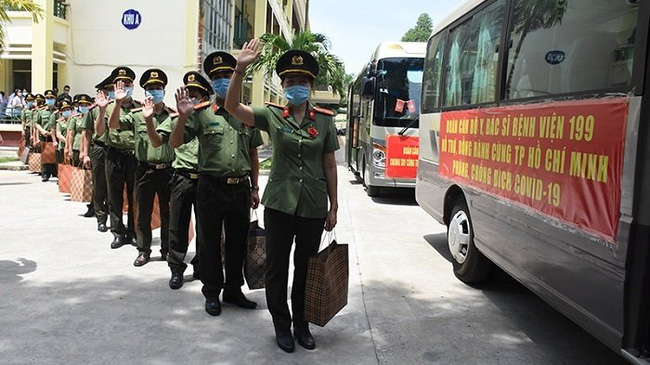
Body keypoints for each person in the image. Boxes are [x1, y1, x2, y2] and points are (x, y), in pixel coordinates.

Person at [224, 42, 339, 353]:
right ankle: (281, 325)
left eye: (302, 82)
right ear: (283, 85)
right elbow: (233, 107)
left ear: (311, 85)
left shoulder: (325, 120)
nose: (296, 87)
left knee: (305, 267)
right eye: (290, 82)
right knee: (277, 269)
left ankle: (302, 323)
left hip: (313, 206)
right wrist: (239, 69)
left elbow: (329, 164)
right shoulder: (273, 116)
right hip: (279, 205)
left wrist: (334, 205)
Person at [170, 51, 263, 316]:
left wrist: (255, 187)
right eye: (218, 77)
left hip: (240, 188)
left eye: (227, 75)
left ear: (236, 78)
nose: (223, 80)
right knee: (209, 243)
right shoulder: (201, 113)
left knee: (237, 242)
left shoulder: (247, 114)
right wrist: (183, 117)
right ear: (211, 83)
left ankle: (233, 290)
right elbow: (175, 143)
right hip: (211, 187)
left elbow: (254, 154)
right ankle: (212, 292)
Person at [109, 69, 175, 266]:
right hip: (144, 169)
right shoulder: (137, 116)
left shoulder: (172, 115)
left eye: (158, 88)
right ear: (144, 92)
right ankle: (144, 250)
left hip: (168, 170)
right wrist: (118, 103)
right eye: (150, 89)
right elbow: (113, 125)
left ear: (164, 90)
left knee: (168, 213)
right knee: (142, 213)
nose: (154, 92)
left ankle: (167, 250)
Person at [157, 71, 210, 289]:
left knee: (206, 227)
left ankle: (201, 265)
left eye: (195, 94)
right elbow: (168, 142)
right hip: (182, 177)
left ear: (205, 97)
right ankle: (176, 268)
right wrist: (182, 116)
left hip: (206, 179)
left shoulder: (212, 118)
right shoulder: (176, 119)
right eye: (188, 94)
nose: (190, 98)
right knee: (177, 225)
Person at [96, 67, 142, 249]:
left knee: (134, 195)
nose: (124, 87)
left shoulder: (140, 107)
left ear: (133, 85)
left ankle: (133, 231)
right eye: (120, 84)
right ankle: (117, 232)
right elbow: (99, 131)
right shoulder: (107, 107)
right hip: (114, 154)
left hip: (134, 156)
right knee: (114, 195)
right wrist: (102, 110)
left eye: (128, 84)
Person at [80, 77, 112, 233]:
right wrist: (85, 153)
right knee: (99, 185)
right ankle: (101, 218)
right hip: (98, 148)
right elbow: (86, 133)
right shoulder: (93, 110)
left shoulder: (118, 108)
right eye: (108, 90)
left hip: (114, 149)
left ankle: (115, 219)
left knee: (114, 186)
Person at [34, 90, 58, 182]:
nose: (49, 100)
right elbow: (37, 123)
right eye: (47, 98)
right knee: (45, 154)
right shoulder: (41, 111)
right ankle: (45, 173)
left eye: (51, 98)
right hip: (45, 135)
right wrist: (42, 131)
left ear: (55, 99)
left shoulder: (58, 111)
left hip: (55, 136)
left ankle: (55, 171)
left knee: (55, 154)